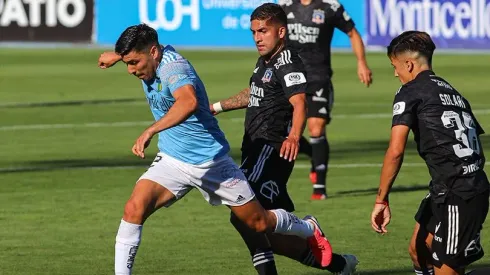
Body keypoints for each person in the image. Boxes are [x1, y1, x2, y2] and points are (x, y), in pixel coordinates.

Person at [97, 23, 333, 275]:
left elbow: (188, 102)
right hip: (172, 159)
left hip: (211, 163)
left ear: (153, 52)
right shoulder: (151, 56)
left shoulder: (175, 68)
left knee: (259, 222)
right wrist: (119, 57)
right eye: (127, 63)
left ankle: (308, 227)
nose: (131, 70)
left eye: (134, 63)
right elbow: (139, 55)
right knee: (134, 208)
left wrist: (151, 130)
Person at [210, 3, 358, 275]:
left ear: (281, 32)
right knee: (256, 225)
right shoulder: (266, 60)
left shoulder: (286, 59)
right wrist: (217, 107)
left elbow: (299, 102)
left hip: (270, 148)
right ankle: (339, 265)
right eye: (254, 31)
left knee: (243, 214)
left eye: (263, 31)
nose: (257, 37)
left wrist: (293, 136)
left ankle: (309, 228)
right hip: (256, 149)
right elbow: (254, 92)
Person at [370, 31, 489, 275]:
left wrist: (381, 200)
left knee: (449, 269)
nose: (395, 73)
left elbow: (395, 151)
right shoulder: (454, 93)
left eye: (395, 66)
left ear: (409, 64)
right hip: (448, 186)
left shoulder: (409, 91)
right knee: (418, 248)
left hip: (460, 194)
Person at [279, 0, 373, 199]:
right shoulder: (285, 5)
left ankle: (319, 188)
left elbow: (352, 32)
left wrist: (361, 63)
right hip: (291, 77)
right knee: (283, 130)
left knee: (316, 128)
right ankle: (315, 153)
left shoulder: (330, 6)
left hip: (318, 78)